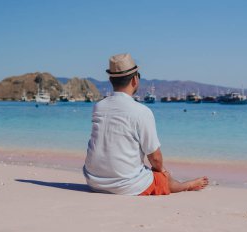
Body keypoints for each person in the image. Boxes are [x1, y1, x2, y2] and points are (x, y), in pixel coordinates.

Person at [83, 53, 209, 195]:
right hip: (124, 186)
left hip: (93, 180)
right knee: (162, 177)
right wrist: (161, 170)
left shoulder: (99, 107)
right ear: (135, 79)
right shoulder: (141, 111)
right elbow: (155, 157)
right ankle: (186, 185)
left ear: (111, 80)